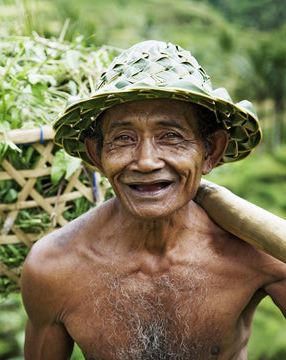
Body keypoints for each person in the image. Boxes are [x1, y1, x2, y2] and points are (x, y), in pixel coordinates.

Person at [20, 40, 286, 359]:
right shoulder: (53, 268)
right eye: (123, 139)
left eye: (170, 137)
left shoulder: (260, 252)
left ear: (211, 151)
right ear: (97, 155)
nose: (146, 161)